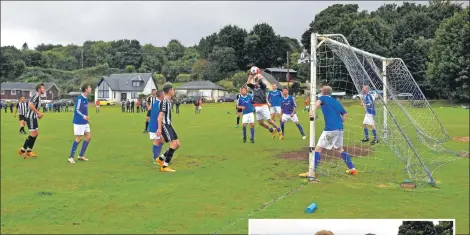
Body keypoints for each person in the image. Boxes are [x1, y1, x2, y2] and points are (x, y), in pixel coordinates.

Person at [299, 86, 358, 178]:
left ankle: (312, 172)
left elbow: (317, 103)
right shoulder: (336, 101)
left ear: (322, 92)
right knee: (340, 149)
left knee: (318, 149)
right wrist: (341, 121)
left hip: (330, 129)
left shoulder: (322, 98)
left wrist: (312, 111)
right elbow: (345, 114)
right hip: (340, 129)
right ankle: (352, 169)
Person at [246, 66, 282, 139]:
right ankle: (271, 130)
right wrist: (250, 75)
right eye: (255, 81)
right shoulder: (254, 87)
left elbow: (260, 81)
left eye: (256, 81)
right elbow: (248, 83)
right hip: (256, 106)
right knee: (261, 123)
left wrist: (258, 74)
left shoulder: (263, 86)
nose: (255, 82)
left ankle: (279, 131)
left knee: (269, 120)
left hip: (263, 106)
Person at [156, 84, 179, 172]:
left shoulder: (169, 101)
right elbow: (160, 116)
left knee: (177, 144)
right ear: (169, 91)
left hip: (169, 124)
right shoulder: (164, 101)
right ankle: (164, 167)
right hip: (164, 125)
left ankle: (161, 159)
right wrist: (159, 128)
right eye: (173, 90)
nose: (174, 91)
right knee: (173, 144)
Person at [18, 83, 45, 159]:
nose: (44, 89)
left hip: (33, 117)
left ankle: (29, 151)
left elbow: (32, 106)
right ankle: (23, 150)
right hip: (30, 117)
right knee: (33, 133)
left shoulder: (38, 97)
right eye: (43, 88)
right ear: (39, 89)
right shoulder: (36, 96)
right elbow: (31, 105)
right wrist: (38, 113)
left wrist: (37, 115)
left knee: (36, 133)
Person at [68, 84, 92, 163]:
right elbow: (76, 110)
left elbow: (85, 110)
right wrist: (84, 116)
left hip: (85, 122)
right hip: (79, 122)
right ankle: (71, 157)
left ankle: (81, 155)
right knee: (79, 139)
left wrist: (87, 119)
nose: (90, 88)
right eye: (89, 87)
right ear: (85, 89)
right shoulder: (79, 98)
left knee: (88, 137)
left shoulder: (86, 98)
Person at [148, 90, 165, 164]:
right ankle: (156, 159)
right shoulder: (157, 104)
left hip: (157, 126)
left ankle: (158, 158)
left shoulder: (158, 103)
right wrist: (159, 128)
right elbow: (159, 117)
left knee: (162, 140)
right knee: (157, 141)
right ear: (161, 96)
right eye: (164, 94)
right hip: (155, 127)